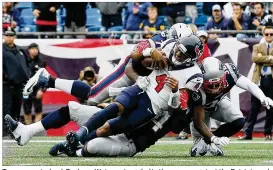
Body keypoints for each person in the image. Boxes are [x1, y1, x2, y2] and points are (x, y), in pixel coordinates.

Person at [5, 34, 202, 149]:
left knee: (94, 105)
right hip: (132, 93)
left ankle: (71, 143)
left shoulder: (189, 80)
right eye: (176, 47)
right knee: (86, 101)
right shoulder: (163, 46)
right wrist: (150, 54)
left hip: (131, 131)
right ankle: (29, 129)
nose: (175, 54)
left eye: (181, 53)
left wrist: (175, 94)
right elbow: (134, 62)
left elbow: (178, 113)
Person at [22, 23, 193, 107]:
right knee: (92, 96)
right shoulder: (159, 41)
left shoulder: (181, 52)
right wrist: (141, 74)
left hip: (146, 79)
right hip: (129, 70)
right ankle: (49, 79)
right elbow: (134, 54)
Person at [188, 57, 273, 156]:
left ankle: (209, 142)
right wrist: (213, 138)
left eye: (217, 84)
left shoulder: (229, 73)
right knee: (199, 152)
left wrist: (262, 97)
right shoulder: (195, 83)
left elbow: (249, 85)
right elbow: (198, 122)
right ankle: (207, 141)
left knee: (239, 121)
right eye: (211, 86)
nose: (215, 89)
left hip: (218, 102)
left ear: (223, 76)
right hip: (200, 110)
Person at [240, 26, 273, 140]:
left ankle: (268, 133)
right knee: (254, 107)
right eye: (267, 34)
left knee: (271, 108)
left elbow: (260, 58)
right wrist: (270, 58)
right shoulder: (257, 46)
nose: (269, 36)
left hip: (271, 79)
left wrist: (262, 57)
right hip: (259, 79)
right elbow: (255, 58)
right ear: (263, 35)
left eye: (271, 34)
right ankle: (248, 133)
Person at [3, 27, 30, 136]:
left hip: (19, 84)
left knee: (17, 108)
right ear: (4, 36)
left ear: (14, 37)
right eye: (7, 35)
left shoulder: (20, 50)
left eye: (11, 35)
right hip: (6, 84)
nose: (9, 37)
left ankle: (14, 131)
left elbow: (27, 64)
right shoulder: (2, 50)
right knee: (6, 108)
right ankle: (5, 131)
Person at [22, 43, 46, 125]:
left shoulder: (41, 61)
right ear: (29, 50)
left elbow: (44, 77)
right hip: (26, 88)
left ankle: (36, 130)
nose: (35, 51)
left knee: (38, 109)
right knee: (27, 110)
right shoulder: (24, 60)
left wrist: (41, 89)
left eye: (36, 49)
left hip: (37, 88)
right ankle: (28, 129)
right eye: (33, 49)